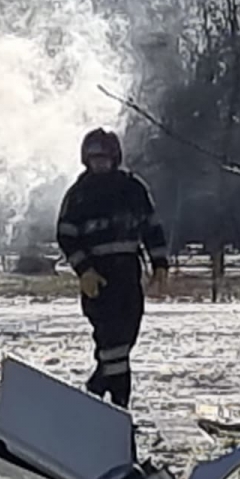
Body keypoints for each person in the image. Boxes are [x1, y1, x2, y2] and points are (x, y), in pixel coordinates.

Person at [56, 128, 169, 410]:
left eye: (104, 158)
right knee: (112, 345)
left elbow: (151, 228)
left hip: (129, 276)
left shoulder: (133, 189)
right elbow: (66, 236)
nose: (100, 163)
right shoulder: (78, 195)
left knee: (124, 340)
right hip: (99, 281)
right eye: (94, 158)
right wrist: (84, 270)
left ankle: (97, 388)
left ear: (114, 157)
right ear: (86, 159)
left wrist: (160, 265)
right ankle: (119, 406)